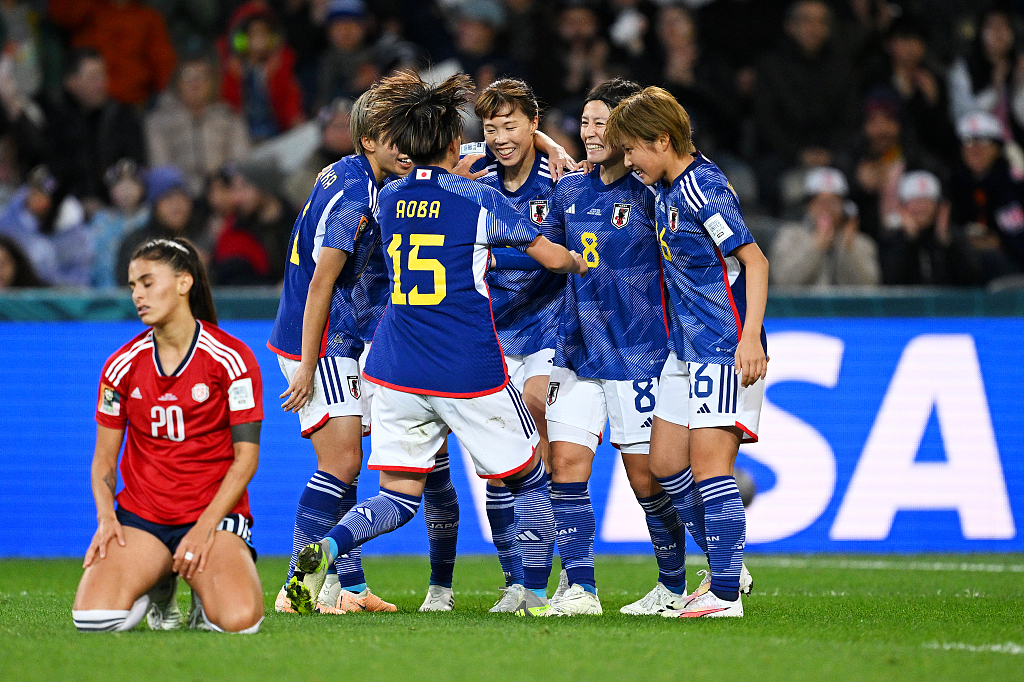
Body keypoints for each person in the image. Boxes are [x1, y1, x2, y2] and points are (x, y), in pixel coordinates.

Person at [284, 70, 587, 616]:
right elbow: (550, 255)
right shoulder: (478, 200)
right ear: (455, 145)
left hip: (397, 370)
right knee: (531, 478)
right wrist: (579, 257)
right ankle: (537, 596)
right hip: (468, 366)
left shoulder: (386, 197)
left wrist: (537, 141)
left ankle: (327, 547)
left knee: (397, 497)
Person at [607, 86, 769, 618]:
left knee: (710, 469)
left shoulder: (704, 189)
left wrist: (749, 338)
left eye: (633, 149)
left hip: (723, 345)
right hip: (683, 349)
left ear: (663, 139)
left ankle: (725, 595)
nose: (628, 161)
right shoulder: (662, 189)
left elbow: (756, 261)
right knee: (664, 463)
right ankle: (728, 565)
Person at [540, 78, 689, 617]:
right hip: (577, 349)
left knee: (646, 478)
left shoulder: (654, 192)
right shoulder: (570, 189)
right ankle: (580, 587)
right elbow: (548, 256)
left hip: (639, 353)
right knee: (567, 465)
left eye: (603, 122)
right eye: (585, 122)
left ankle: (675, 583)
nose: (592, 132)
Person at [266, 87, 412, 616]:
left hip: (338, 340)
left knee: (343, 468)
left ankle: (347, 588)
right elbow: (321, 284)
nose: (407, 147)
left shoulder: (351, 173)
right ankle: (294, 586)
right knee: (342, 461)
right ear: (370, 140)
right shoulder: (355, 196)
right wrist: (307, 367)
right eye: (396, 136)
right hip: (322, 340)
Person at [73, 237, 264, 633]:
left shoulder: (231, 358)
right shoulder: (121, 366)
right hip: (143, 516)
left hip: (214, 514)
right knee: (93, 620)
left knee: (239, 623)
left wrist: (204, 527)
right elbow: (104, 460)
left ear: (183, 283)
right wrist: (107, 518)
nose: (137, 295)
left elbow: (245, 459)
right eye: (131, 287)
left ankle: (199, 587)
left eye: (147, 282)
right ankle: (160, 587)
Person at [41, 49, 147, 215]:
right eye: (92, 78)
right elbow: (49, 171)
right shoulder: (53, 119)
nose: (101, 84)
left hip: (118, 207)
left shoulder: (121, 115)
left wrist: (124, 185)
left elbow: (136, 163)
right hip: (67, 211)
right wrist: (77, 201)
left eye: (103, 76)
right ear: (71, 82)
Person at [146, 55, 251, 197]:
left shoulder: (230, 118)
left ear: (212, 82)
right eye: (187, 76)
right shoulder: (158, 122)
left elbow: (240, 162)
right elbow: (160, 167)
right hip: (178, 197)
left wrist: (223, 188)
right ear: (177, 82)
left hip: (225, 194)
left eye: (202, 76)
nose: (195, 83)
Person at [49, 0, 176, 107]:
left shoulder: (148, 18)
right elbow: (61, 15)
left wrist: (168, 100)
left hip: (133, 102)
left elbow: (164, 64)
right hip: (85, 104)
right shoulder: (88, 12)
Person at [770, 167, 881, 286]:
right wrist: (815, 247)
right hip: (804, 305)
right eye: (820, 202)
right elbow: (782, 281)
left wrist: (849, 248)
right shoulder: (790, 235)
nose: (827, 208)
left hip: (843, 305)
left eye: (833, 202)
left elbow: (870, 285)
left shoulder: (860, 242)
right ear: (809, 205)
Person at [949, 111, 1024, 280]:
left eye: (983, 141)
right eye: (968, 142)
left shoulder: (1014, 184)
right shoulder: (954, 184)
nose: (975, 149)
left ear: (997, 148)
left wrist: (999, 243)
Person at [880, 170, 980, 285]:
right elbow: (889, 282)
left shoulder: (952, 236)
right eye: (916, 201)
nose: (921, 208)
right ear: (903, 206)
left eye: (927, 202)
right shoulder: (891, 239)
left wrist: (947, 243)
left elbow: (972, 278)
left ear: (937, 206)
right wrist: (908, 240)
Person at [116, 166, 206, 285]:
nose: (177, 205)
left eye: (182, 197)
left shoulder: (201, 236)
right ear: (154, 205)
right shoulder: (136, 244)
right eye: (168, 198)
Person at [91, 159, 150, 287]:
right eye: (120, 186)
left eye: (131, 185)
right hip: (106, 290)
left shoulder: (150, 217)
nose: (126, 191)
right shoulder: (101, 220)